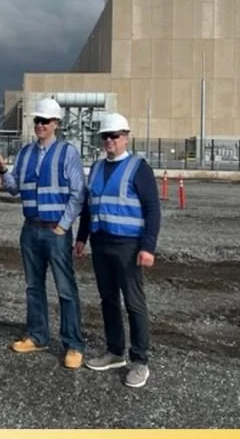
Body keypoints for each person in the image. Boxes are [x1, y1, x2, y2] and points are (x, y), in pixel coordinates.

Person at [0, 97, 86, 369]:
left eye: (45, 121)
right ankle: (37, 335)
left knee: (65, 289)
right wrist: (3, 173)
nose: (40, 125)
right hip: (30, 228)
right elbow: (15, 188)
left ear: (56, 123)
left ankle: (73, 344)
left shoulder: (67, 153)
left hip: (55, 231)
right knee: (34, 287)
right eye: (37, 121)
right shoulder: (25, 154)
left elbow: (78, 194)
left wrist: (63, 225)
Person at [73, 112, 161, 389]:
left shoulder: (139, 168)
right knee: (108, 299)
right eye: (105, 136)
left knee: (134, 303)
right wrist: (82, 237)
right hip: (101, 242)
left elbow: (152, 209)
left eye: (114, 136)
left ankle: (140, 360)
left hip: (128, 245)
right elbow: (89, 207)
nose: (109, 140)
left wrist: (148, 247)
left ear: (126, 138)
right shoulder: (97, 168)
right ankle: (115, 351)